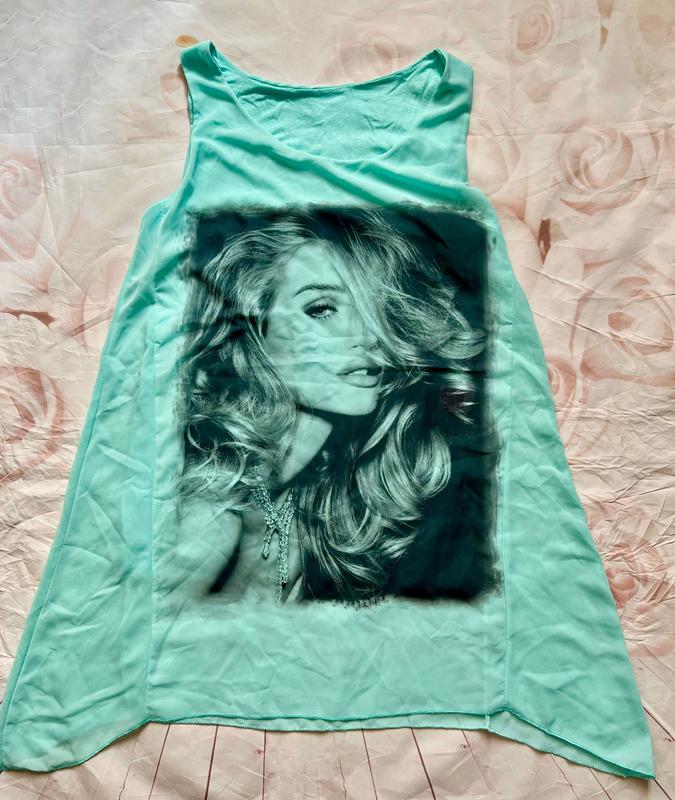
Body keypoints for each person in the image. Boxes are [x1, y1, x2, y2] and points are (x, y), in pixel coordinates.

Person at [172, 205, 490, 607]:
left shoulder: (303, 510)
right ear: (253, 330)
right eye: (322, 308)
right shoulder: (211, 513)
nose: (368, 335)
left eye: (376, 310)